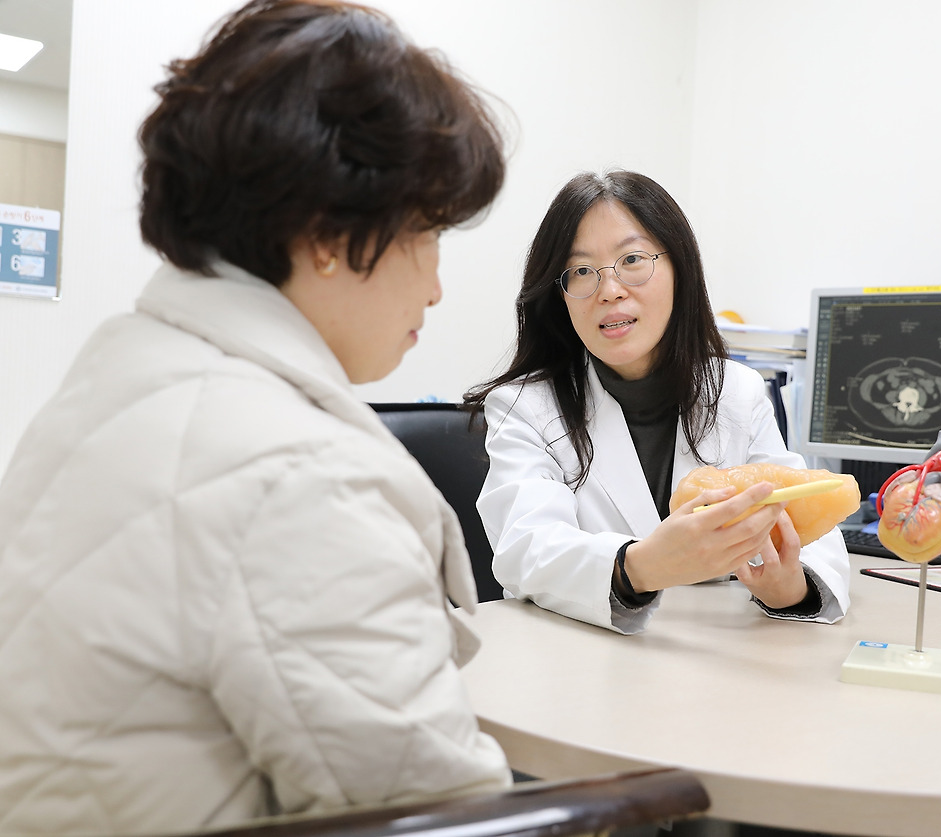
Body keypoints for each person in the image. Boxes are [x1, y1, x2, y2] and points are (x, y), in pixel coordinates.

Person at [0, 1, 510, 833]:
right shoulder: (298, 475)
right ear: (327, 234)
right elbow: (439, 811)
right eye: (426, 232)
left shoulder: (126, 364)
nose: (438, 285)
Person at [465, 171, 850, 634]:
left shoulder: (738, 392)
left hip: (721, 659)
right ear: (560, 294)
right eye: (582, 271)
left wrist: (790, 588)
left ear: (679, 270)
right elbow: (524, 549)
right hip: (580, 660)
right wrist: (641, 566)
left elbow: (809, 519)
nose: (609, 290)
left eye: (632, 259)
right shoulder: (525, 406)